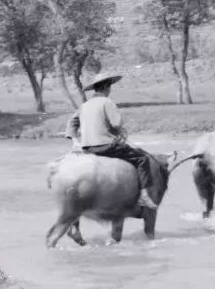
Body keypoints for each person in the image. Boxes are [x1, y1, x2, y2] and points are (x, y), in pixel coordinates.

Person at [67, 74, 160, 210]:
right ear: (105, 87)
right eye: (109, 86)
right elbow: (116, 124)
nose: (110, 89)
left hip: (87, 148)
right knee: (142, 159)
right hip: (106, 146)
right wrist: (119, 129)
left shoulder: (84, 105)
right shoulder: (107, 102)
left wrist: (75, 140)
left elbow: (72, 122)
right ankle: (144, 195)